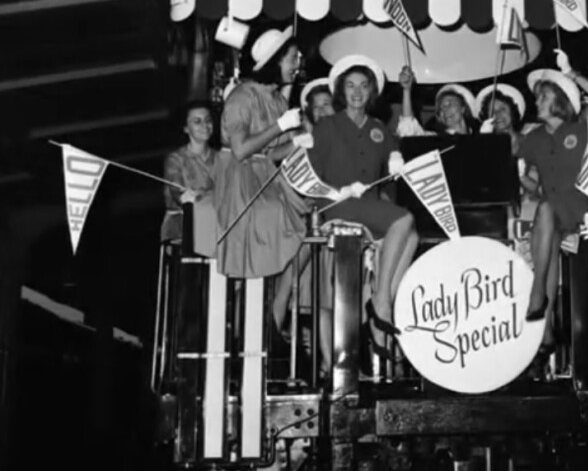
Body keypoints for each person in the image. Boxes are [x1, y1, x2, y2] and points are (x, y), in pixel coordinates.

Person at [307, 55, 419, 358]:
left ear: (371, 92)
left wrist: (396, 158)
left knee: (412, 236)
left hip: (367, 206)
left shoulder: (379, 128)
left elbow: (394, 150)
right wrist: (337, 191)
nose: (357, 92)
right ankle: (381, 301)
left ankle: (384, 302)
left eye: (364, 86)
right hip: (337, 205)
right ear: (342, 91)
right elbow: (309, 177)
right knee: (403, 220)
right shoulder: (327, 126)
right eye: (351, 86)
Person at [214, 25, 309, 333]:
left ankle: (269, 317)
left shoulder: (277, 100)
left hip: (265, 178)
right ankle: (249, 327)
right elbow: (241, 150)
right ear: (275, 60)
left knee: (302, 229)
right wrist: (280, 126)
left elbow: (269, 154)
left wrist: (297, 142)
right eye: (292, 58)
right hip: (240, 181)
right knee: (271, 227)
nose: (297, 65)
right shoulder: (243, 96)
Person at [517, 65, 588, 354]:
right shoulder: (533, 139)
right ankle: (546, 330)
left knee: (545, 210)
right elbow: (532, 186)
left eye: (543, 97)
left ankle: (537, 292)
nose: (536, 102)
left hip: (583, 205)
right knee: (548, 238)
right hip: (551, 209)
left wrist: (572, 73)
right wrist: (518, 174)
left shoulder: (581, 126)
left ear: (560, 99)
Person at [161, 101, 217, 243]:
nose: (204, 126)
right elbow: (177, 192)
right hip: (182, 230)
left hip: (214, 227)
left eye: (208, 120)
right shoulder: (176, 159)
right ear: (186, 128)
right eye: (197, 122)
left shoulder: (221, 158)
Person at [475, 83, 526, 153]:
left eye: (502, 109)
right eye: (493, 111)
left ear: (512, 111)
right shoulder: (486, 149)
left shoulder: (529, 141)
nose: (498, 114)